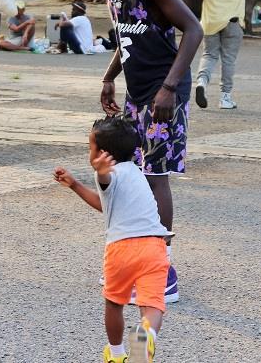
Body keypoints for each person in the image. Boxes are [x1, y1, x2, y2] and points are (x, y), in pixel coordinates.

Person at [75, 0, 204, 303]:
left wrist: (168, 89)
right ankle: (135, 257)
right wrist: (110, 74)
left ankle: (161, 268)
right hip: (137, 92)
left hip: (165, 94)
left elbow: (194, 29)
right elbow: (128, 33)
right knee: (128, 171)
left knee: (155, 175)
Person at [54, 116, 172, 363]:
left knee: (114, 303)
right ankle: (147, 334)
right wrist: (75, 185)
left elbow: (106, 184)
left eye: (90, 147)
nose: (89, 151)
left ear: (102, 154)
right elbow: (106, 205)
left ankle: (116, 354)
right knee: (152, 304)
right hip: (154, 246)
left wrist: (101, 173)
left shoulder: (107, 175)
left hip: (121, 249)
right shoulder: (136, 173)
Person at [190, 0, 261, 110]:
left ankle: (201, 82)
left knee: (209, 55)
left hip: (210, 21)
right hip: (232, 22)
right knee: (228, 60)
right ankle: (225, 98)